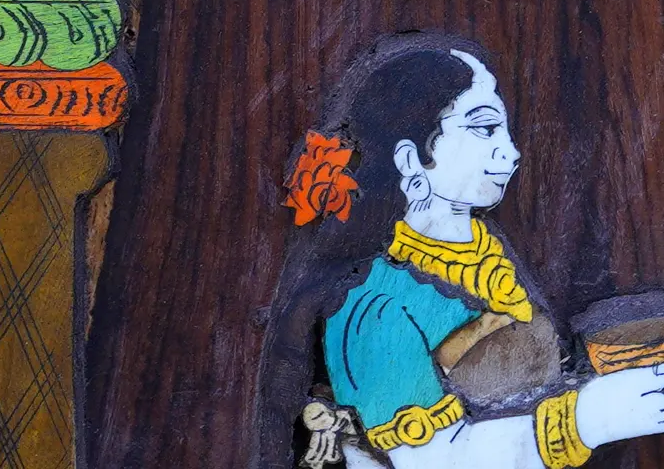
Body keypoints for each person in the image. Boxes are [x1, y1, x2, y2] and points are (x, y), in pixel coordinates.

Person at [257, 33, 664, 469]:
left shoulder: (483, 253)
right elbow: (428, 460)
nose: (512, 153)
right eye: (485, 128)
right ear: (410, 160)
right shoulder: (374, 308)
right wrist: (591, 417)